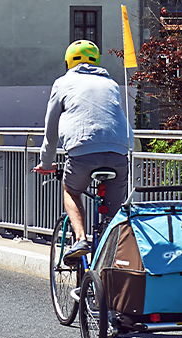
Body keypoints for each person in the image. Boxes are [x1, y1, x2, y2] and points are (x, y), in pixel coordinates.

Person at [32, 40, 133, 263]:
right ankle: (113, 258)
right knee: (112, 215)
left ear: (68, 61)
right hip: (119, 153)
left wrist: (46, 163)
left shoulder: (62, 83)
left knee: (71, 190)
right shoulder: (111, 84)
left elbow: (51, 130)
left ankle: (80, 239)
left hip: (83, 152)